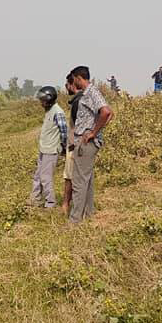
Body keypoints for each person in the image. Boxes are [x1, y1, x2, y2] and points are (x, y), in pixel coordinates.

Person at [68, 66, 113, 222]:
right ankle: (89, 214)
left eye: (74, 79)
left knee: (79, 181)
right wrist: (97, 130)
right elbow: (109, 113)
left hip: (86, 142)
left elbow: (106, 112)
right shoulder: (90, 93)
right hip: (88, 142)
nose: (73, 83)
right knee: (87, 180)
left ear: (79, 78)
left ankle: (75, 221)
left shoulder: (91, 92)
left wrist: (93, 132)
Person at [26, 86, 66, 210]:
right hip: (44, 149)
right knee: (38, 176)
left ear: (49, 99)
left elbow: (64, 132)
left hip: (51, 150)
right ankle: (35, 200)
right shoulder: (49, 111)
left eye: (43, 100)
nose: (41, 103)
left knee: (46, 178)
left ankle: (50, 204)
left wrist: (64, 148)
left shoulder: (57, 112)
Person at [60, 75, 82, 215]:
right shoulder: (80, 100)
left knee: (70, 176)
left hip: (75, 144)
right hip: (77, 143)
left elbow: (75, 126)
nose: (65, 88)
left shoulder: (77, 102)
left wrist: (71, 145)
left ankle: (66, 204)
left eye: (66, 85)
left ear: (71, 84)